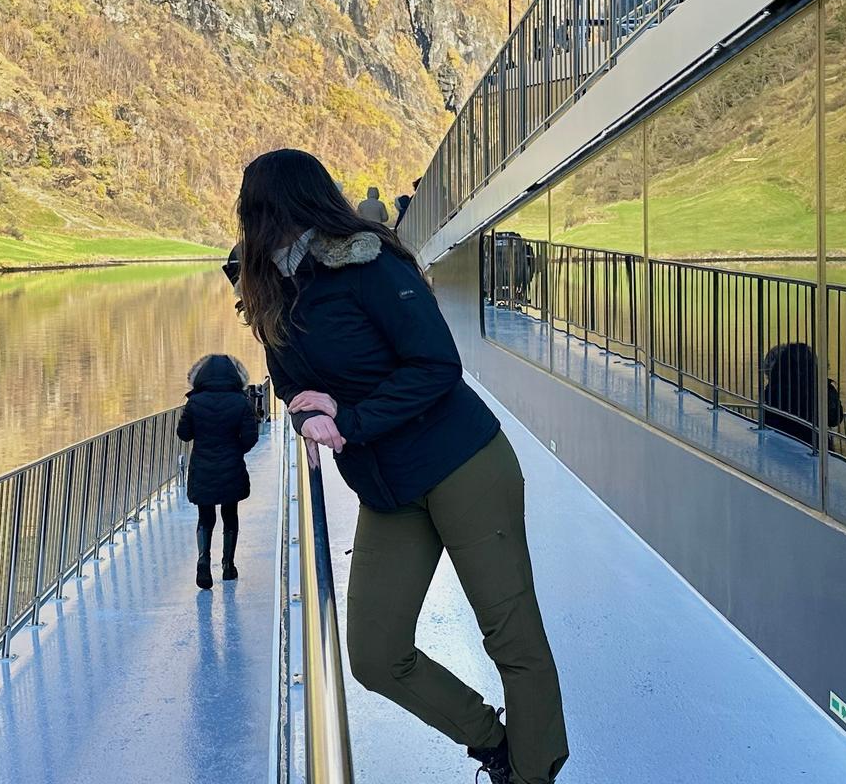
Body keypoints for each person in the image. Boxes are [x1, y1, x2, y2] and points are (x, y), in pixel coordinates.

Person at [234, 148, 567, 784]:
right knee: (375, 654)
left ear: (282, 206)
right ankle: (493, 742)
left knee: (513, 638)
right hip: (388, 491)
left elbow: (437, 364)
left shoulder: (369, 264)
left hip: (464, 465)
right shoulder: (272, 290)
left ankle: (532, 773)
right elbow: (291, 385)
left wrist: (350, 420)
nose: (248, 221)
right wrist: (307, 418)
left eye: (253, 209)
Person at [177, 353, 263, 589]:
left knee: (205, 516)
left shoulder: (194, 402)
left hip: (202, 468)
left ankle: (203, 561)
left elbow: (183, 433)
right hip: (231, 467)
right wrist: (236, 451)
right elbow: (251, 437)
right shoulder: (241, 402)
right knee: (230, 515)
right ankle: (228, 566)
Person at [759, 342, 843, 450]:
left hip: (780, 444)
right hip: (816, 445)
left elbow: (768, 418)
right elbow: (835, 418)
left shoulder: (775, 389)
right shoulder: (822, 387)